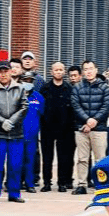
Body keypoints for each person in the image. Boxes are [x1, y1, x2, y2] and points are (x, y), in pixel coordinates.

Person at [0, 61, 28, 203]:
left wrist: (12, 121)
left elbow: (24, 107)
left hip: (16, 133)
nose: (3, 74)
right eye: (0, 71)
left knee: (15, 165)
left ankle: (14, 193)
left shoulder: (20, 88)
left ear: (10, 72)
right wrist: (2, 122)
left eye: (6, 71)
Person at [70, 60, 109, 195]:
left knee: (100, 159)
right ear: (83, 72)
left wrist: (94, 120)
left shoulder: (104, 87)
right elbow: (75, 106)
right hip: (82, 128)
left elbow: (106, 106)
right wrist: (87, 121)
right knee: (82, 159)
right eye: (86, 69)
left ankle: (102, 185)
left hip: (99, 128)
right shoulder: (77, 87)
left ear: (96, 70)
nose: (89, 71)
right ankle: (82, 184)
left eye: (91, 68)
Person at [38, 61, 75, 191]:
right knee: (47, 157)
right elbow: (40, 108)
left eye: (61, 70)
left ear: (64, 72)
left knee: (63, 157)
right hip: (47, 128)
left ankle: (62, 183)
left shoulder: (69, 89)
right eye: (56, 70)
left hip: (65, 128)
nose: (58, 72)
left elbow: (73, 109)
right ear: (51, 72)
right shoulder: (45, 88)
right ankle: (47, 183)